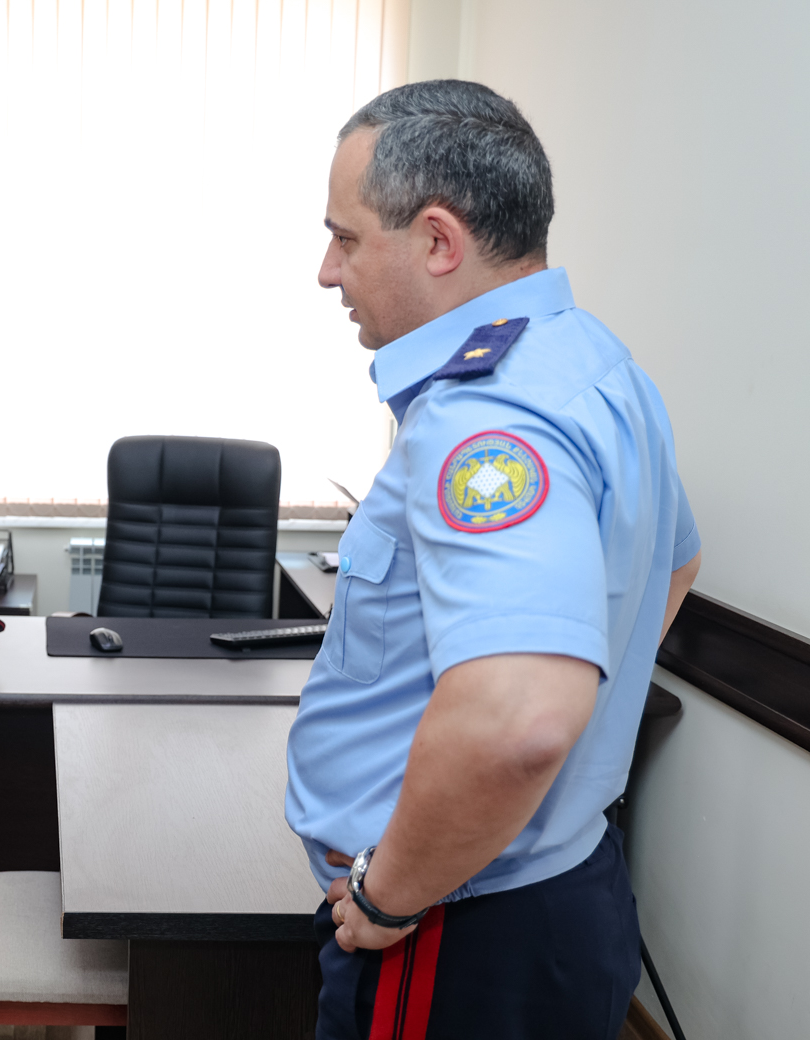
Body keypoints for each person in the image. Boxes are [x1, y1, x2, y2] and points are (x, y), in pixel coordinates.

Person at [285, 80, 702, 1040]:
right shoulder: (596, 366)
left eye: (346, 239)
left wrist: (388, 895)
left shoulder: (485, 415)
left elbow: (517, 720)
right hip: (560, 891)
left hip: (455, 929)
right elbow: (674, 565)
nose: (327, 271)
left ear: (438, 241)